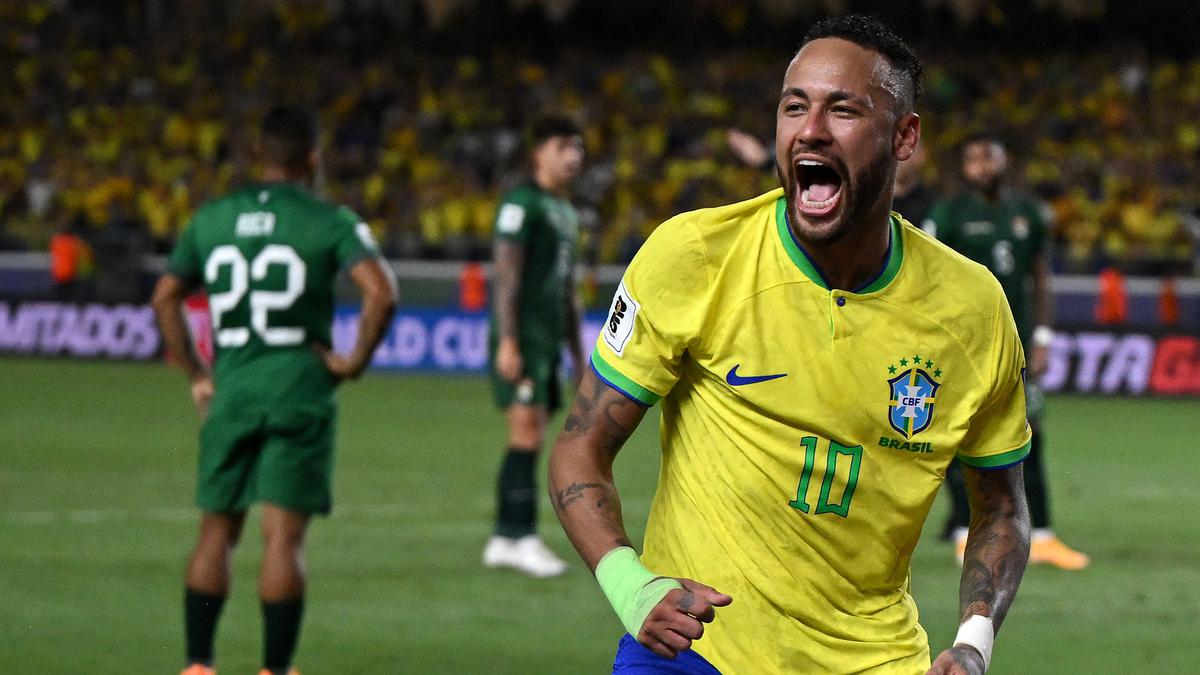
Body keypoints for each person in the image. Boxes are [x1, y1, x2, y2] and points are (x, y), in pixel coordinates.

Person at [550, 15, 1032, 674]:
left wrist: (975, 642)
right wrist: (633, 589)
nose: (811, 129)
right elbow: (580, 447)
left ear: (904, 137)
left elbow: (1001, 505)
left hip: (875, 659)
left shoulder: (971, 311)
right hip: (693, 651)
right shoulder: (692, 256)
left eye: (843, 110)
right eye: (794, 107)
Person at [151, 104, 398, 675]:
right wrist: (354, 360)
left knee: (217, 529)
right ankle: (276, 670)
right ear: (312, 159)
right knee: (282, 538)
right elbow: (381, 292)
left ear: (258, 155)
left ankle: (197, 665)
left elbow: (164, 296)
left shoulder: (212, 218)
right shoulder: (329, 219)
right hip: (299, 389)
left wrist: (195, 372)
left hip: (232, 389)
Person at [924, 134, 1090, 570]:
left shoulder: (1029, 214)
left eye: (989, 156)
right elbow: (929, 279)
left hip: (1016, 345)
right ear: (963, 167)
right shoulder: (947, 215)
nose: (981, 165)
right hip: (962, 345)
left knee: (1031, 433)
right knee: (959, 436)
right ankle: (963, 532)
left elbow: (1040, 276)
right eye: (973, 158)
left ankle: (1045, 536)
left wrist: (1044, 337)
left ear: (1004, 160)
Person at [482, 116, 586, 578]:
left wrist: (579, 353)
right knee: (525, 434)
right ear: (538, 153)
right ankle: (516, 536)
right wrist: (507, 341)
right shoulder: (522, 204)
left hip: (545, 341)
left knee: (535, 435)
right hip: (522, 338)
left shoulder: (565, 210)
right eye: (563, 145)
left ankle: (509, 538)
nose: (574, 156)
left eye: (578, 147)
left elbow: (566, 291)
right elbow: (506, 274)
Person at [893, 140, 934, 227]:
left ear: (921, 156)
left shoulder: (932, 202)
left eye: (905, 151)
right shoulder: (874, 201)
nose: (899, 159)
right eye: (894, 151)